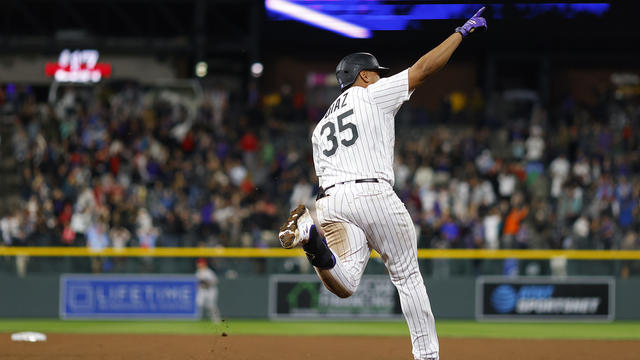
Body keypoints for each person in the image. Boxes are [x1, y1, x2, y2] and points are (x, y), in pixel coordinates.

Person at [278, 8, 487, 360]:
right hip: (371, 192)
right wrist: (460, 34)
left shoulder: (321, 125)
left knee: (344, 285)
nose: (380, 78)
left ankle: (313, 241)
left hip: (330, 201)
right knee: (407, 276)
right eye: (376, 73)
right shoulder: (370, 94)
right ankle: (427, 356)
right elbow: (423, 70)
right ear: (362, 76)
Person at [195, 258, 221, 323]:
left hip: (211, 290)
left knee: (212, 305)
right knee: (199, 303)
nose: (199, 265)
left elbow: (216, 281)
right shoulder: (198, 272)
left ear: (204, 264)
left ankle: (216, 319)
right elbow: (198, 283)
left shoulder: (209, 272)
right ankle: (198, 318)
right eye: (198, 263)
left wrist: (208, 283)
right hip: (202, 290)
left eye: (200, 263)